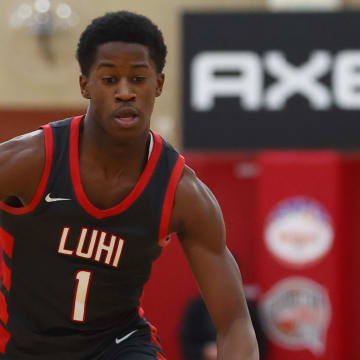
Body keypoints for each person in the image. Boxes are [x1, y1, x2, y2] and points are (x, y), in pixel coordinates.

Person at [0, 11, 259, 360]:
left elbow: (235, 323)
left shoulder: (182, 193)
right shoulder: (30, 160)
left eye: (138, 78)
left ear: (159, 84)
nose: (125, 92)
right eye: (109, 79)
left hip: (117, 345)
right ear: (85, 85)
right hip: (22, 346)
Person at [180, 290, 268, 360]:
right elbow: (187, 343)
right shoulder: (196, 308)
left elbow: (261, 344)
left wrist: (242, 353)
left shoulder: (247, 307)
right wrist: (205, 351)